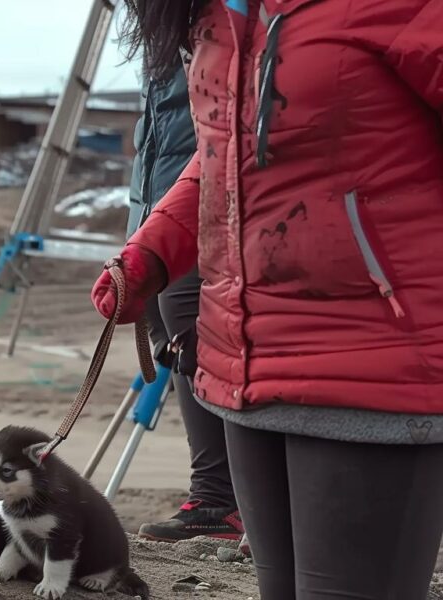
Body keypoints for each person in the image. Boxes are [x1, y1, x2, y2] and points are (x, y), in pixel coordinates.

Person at [94, 1, 443, 598]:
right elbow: (221, 159)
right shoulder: (222, 15)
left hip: (374, 367)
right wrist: (152, 250)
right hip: (243, 367)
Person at [128, 55, 243, 543]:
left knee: (193, 330)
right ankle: (216, 495)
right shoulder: (166, 33)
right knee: (169, 332)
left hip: (205, 196)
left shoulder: (221, 21)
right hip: (157, 196)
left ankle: (222, 499)